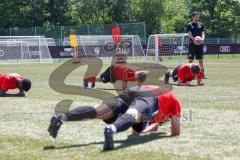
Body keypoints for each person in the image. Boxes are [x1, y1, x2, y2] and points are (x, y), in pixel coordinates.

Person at [47, 85, 181, 150]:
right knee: (133, 113)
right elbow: (176, 132)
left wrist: (150, 128)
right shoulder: (173, 103)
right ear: (166, 117)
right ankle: (111, 129)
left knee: (98, 112)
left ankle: (62, 117)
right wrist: (159, 131)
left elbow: (135, 133)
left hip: (132, 90)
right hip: (151, 96)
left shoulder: (151, 116)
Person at [83, 64, 148, 90]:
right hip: (112, 71)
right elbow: (124, 87)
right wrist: (128, 90)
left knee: (100, 79)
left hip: (117, 73)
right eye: (137, 79)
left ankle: (93, 81)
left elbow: (141, 79)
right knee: (101, 79)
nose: (137, 80)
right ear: (137, 76)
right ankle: (85, 80)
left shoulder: (140, 72)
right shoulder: (129, 73)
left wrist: (140, 87)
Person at [186, 11, 206, 78]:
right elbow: (189, 34)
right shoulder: (189, 25)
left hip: (200, 45)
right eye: (196, 16)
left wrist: (202, 39)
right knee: (190, 59)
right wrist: (194, 39)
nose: (197, 18)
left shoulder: (201, 25)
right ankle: (188, 73)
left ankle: (202, 74)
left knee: (200, 59)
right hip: (192, 44)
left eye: (198, 16)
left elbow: (203, 33)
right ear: (193, 17)